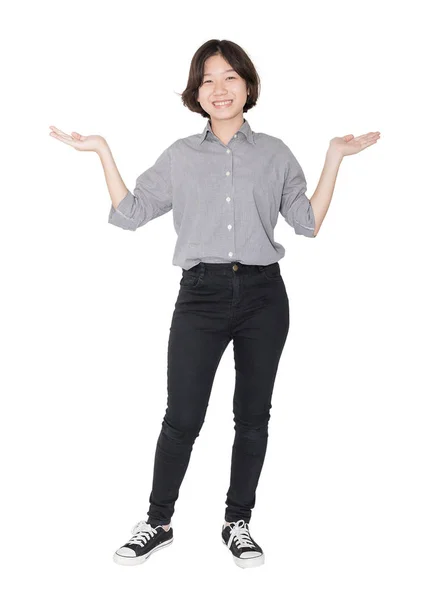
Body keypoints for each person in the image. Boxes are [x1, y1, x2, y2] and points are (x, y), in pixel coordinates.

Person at [49, 39, 380, 570]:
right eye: (207, 80)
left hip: (264, 297)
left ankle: (237, 521)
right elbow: (132, 212)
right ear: (195, 92)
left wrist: (334, 157)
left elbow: (307, 225)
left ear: (248, 86)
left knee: (252, 417)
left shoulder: (275, 153)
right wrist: (103, 151)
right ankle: (157, 523)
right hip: (199, 296)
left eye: (229, 77)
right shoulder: (181, 156)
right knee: (181, 416)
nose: (219, 89)